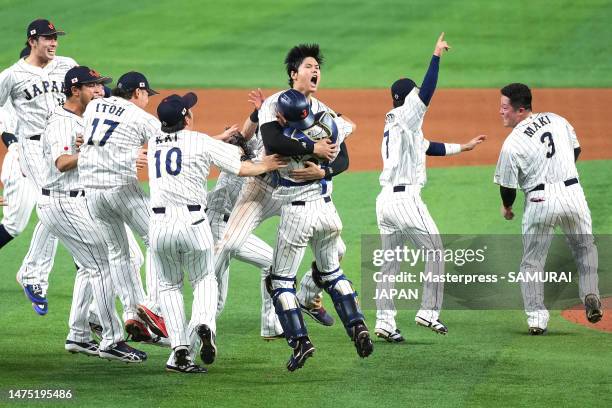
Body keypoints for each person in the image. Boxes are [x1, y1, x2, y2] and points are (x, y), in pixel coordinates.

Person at [148, 92, 287, 373]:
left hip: (159, 225)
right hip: (195, 224)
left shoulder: (153, 144)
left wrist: (229, 135)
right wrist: (267, 164)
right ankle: (204, 323)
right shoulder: (200, 142)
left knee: (169, 286)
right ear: (186, 117)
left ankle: (180, 352)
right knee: (204, 280)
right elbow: (242, 165)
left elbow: (197, 144)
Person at [260, 44, 372, 371]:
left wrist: (320, 166)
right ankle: (358, 327)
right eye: (309, 66)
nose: (316, 71)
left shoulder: (284, 112)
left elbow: (275, 143)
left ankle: (300, 342)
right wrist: (319, 154)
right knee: (332, 271)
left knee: (280, 281)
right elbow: (342, 155)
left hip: (299, 209)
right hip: (327, 211)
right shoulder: (327, 119)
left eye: (317, 67)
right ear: (294, 73)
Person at [374, 33, 486, 342]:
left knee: (391, 265)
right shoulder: (406, 113)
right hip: (405, 200)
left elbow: (428, 147)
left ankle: (384, 321)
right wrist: (435, 56)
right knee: (436, 251)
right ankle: (428, 312)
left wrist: (462, 148)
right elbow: (427, 94)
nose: (417, 97)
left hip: (385, 201)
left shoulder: (400, 125)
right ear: (405, 98)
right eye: (413, 95)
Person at [36, 65, 147, 362]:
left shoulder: (86, 118)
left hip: (80, 201)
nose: (100, 91)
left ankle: (80, 333)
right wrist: (90, 152)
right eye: (93, 86)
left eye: (100, 85)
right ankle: (111, 339)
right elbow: (61, 162)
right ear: (75, 90)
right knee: (104, 264)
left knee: (117, 260)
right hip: (63, 202)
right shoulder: (61, 122)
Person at [494, 82, 602, 334]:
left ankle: (536, 319)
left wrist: (507, 207)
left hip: (539, 201)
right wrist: (560, 171)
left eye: (504, 107)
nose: (501, 112)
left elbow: (507, 186)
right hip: (573, 194)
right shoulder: (557, 119)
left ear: (520, 110)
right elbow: (576, 149)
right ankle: (590, 294)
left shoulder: (512, 143)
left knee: (532, 261)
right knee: (585, 247)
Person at [78, 71, 165, 342]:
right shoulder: (142, 118)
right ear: (138, 93)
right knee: (158, 239)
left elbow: (90, 139)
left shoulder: (94, 105)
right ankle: (152, 305)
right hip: (121, 190)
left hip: (91, 192)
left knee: (118, 253)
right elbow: (174, 145)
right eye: (146, 95)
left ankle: (131, 311)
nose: (147, 100)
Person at [0, 20, 77, 315]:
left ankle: (34, 273)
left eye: (56, 37)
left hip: (64, 143)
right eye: (48, 38)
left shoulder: (66, 64)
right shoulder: (12, 76)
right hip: (32, 146)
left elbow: (87, 91)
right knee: (53, 203)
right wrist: (9, 138)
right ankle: (34, 275)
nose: (54, 42)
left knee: (59, 206)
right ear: (32, 41)